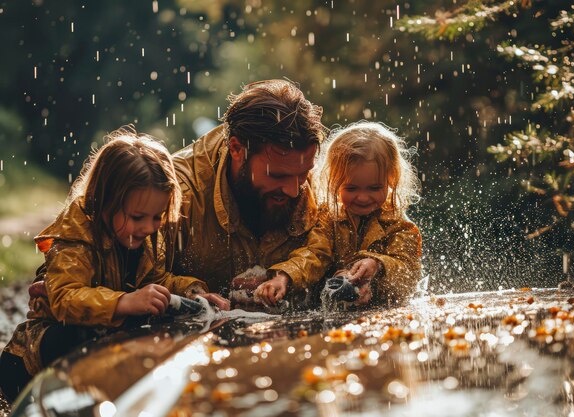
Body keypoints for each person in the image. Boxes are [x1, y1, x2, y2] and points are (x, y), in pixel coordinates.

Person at [0, 127, 229, 402]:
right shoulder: (75, 236)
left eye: (157, 217)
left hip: (92, 353)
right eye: (137, 217)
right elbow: (65, 298)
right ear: (104, 200)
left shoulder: (140, 237)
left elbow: (157, 280)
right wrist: (123, 302)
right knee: (83, 335)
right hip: (33, 361)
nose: (148, 227)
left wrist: (193, 292)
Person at [171, 79, 327, 296]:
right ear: (237, 149)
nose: (294, 190)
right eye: (278, 175)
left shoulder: (324, 183)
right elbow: (141, 282)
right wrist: (190, 293)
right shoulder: (176, 194)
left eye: (303, 174)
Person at [255, 121, 422, 306]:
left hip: (384, 314)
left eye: (374, 188)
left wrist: (378, 266)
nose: (363, 197)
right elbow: (314, 254)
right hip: (336, 316)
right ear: (334, 182)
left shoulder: (400, 227)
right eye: (351, 188)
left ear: (391, 179)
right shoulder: (329, 219)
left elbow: (408, 273)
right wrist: (285, 276)